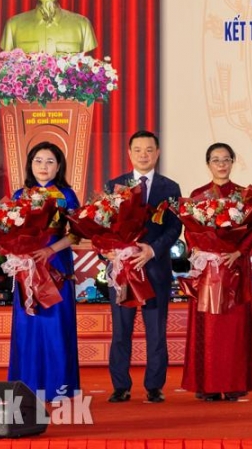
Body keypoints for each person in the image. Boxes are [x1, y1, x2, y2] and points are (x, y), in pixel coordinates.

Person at [106, 130, 182, 404]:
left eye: (149, 150)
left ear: (157, 153)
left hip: (155, 269)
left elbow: (175, 227)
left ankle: (154, 386)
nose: (143, 155)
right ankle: (120, 386)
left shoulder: (169, 187)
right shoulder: (114, 186)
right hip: (123, 270)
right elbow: (103, 224)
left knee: (156, 331)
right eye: (138, 150)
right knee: (121, 331)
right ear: (129, 153)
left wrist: (152, 249)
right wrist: (110, 251)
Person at [182, 142, 252, 402]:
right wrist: (200, 250)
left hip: (235, 268)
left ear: (233, 162)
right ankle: (208, 385)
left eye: (226, 159)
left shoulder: (244, 195)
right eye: (216, 159)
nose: (221, 164)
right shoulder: (198, 195)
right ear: (208, 164)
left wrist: (238, 252)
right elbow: (190, 231)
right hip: (208, 271)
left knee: (234, 327)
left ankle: (235, 383)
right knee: (209, 327)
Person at [7, 142, 81, 401]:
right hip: (27, 268)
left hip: (55, 265)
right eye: (38, 160)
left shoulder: (66, 195)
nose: (43, 166)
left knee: (55, 325)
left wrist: (50, 250)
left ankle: (57, 388)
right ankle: (26, 387)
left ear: (58, 166)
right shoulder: (20, 195)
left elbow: (77, 234)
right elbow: (9, 232)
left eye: (50, 161)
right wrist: (17, 251)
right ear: (30, 164)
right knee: (28, 325)